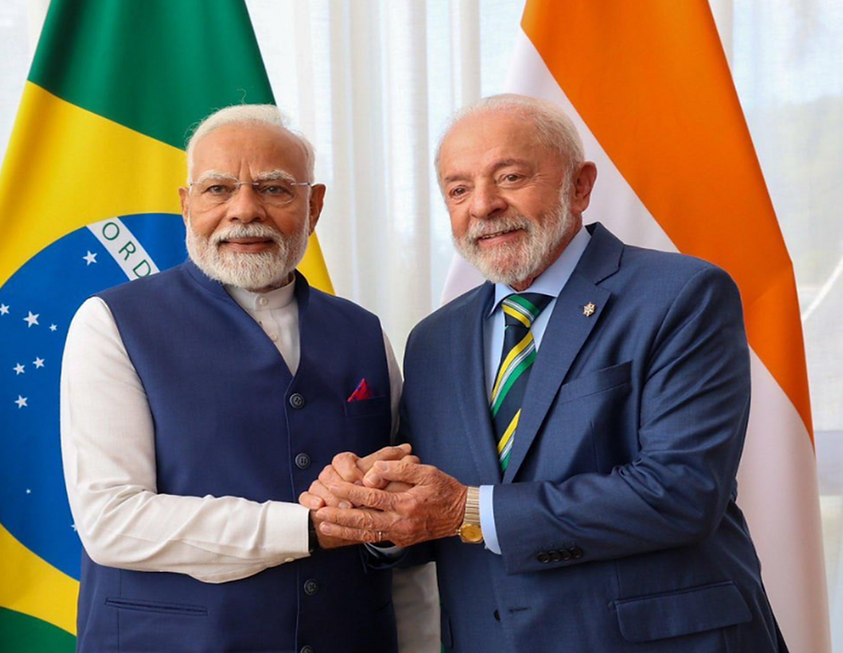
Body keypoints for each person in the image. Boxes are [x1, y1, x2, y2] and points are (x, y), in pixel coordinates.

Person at [306, 94, 788, 652]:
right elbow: (432, 519)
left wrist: (466, 509)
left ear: (580, 186)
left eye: (509, 177)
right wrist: (373, 508)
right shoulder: (432, 340)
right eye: (458, 189)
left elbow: (682, 492)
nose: (483, 205)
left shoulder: (682, 295)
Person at [61, 104, 437, 653]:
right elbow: (111, 520)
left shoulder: (364, 332)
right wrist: (304, 530)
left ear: (314, 205)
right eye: (217, 189)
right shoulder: (111, 323)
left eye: (274, 189)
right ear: (186, 206)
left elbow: (401, 522)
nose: (244, 211)